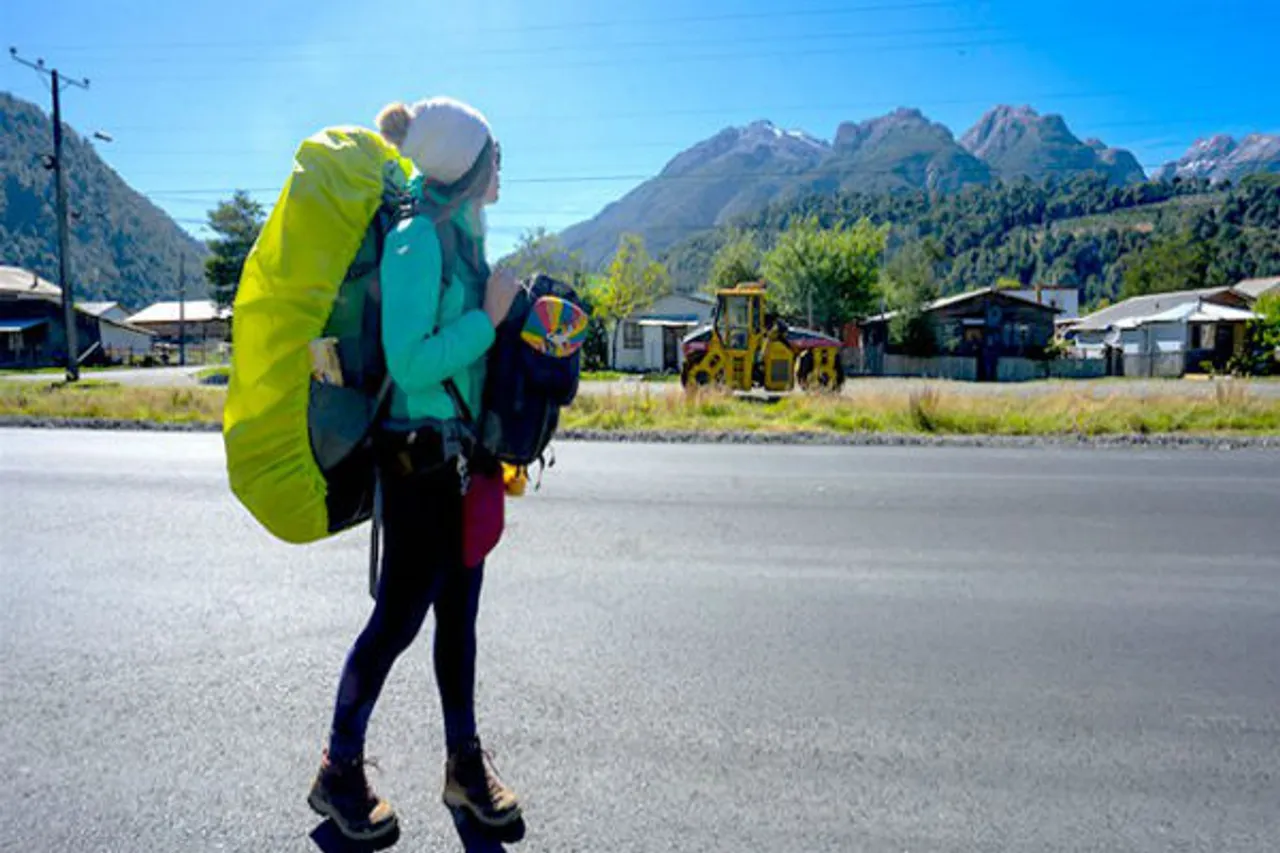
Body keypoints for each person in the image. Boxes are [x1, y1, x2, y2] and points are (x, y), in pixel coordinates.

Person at [306, 96, 524, 843]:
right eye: (496, 154)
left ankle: (464, 766)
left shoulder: (465, 240)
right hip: (417, 467)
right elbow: (411, 360)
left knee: (458, 620)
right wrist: (489, 320)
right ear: (469, 165)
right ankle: (338, 767)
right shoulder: (414, 241)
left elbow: (466, 360)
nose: (503, 167)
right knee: (397, 621)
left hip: (464, 464)